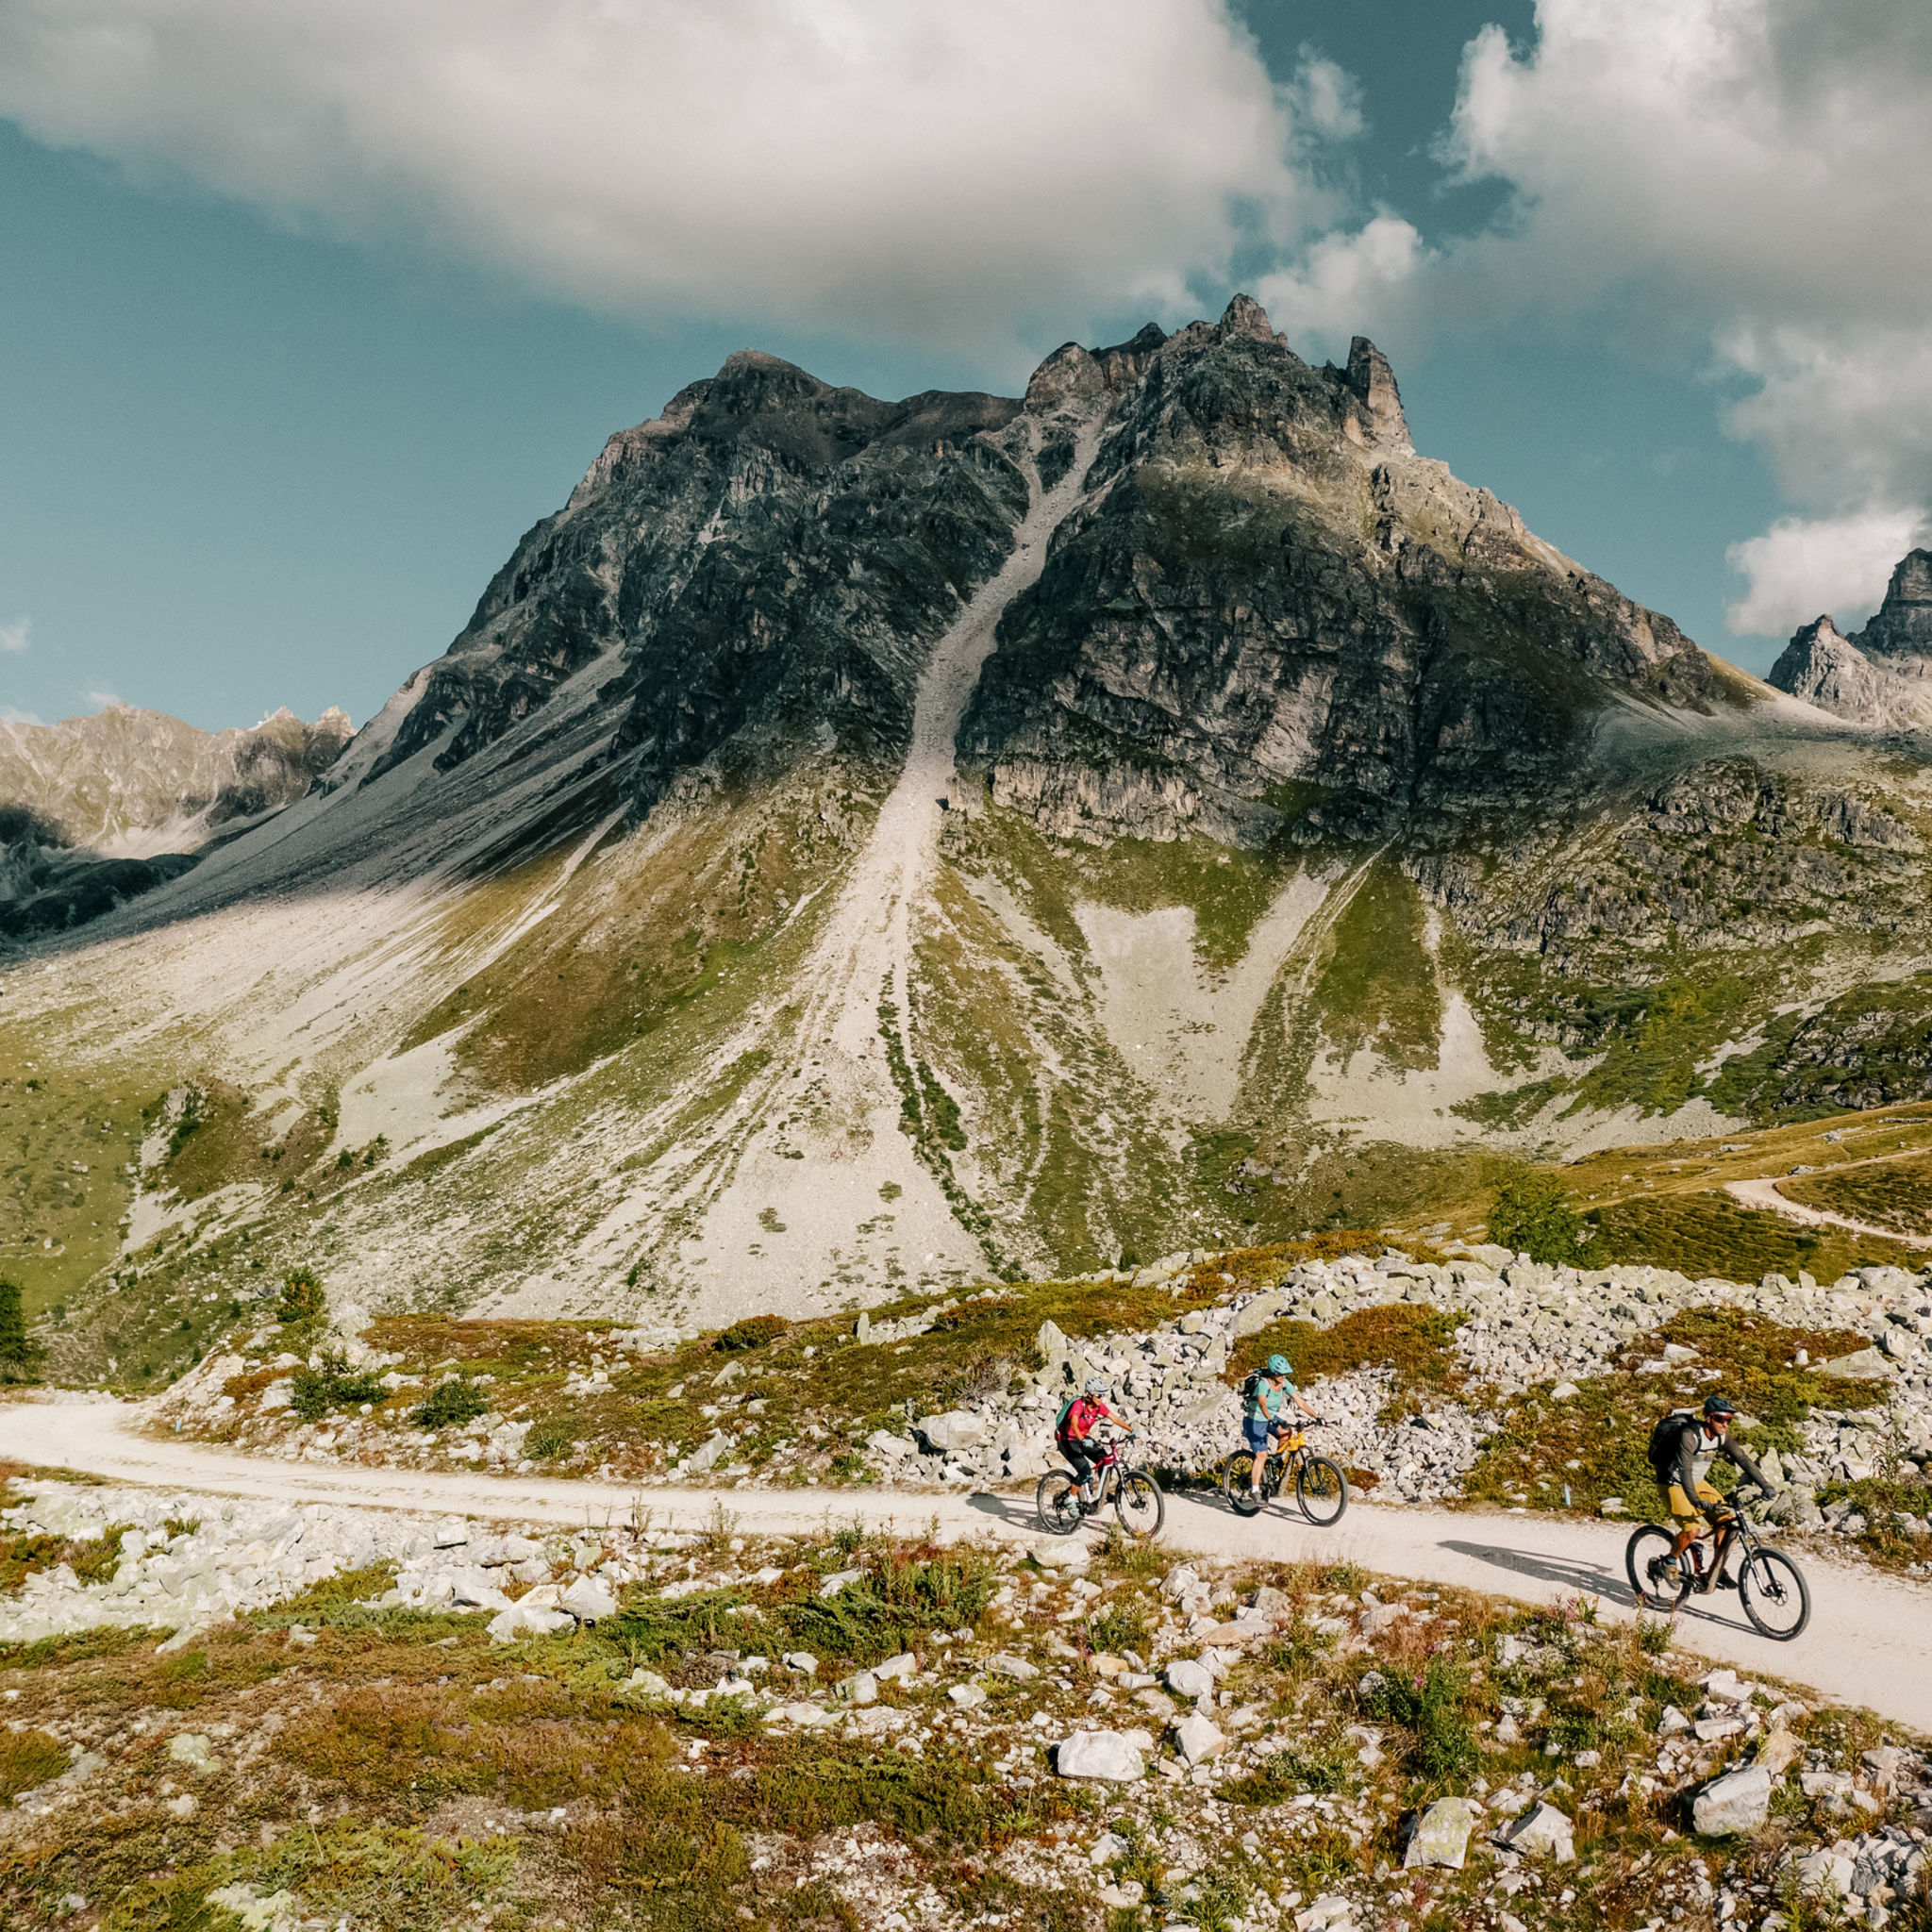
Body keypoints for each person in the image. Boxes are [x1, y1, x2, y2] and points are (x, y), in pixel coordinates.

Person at [1649, 1392, 1771, 1591]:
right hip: (1673, 1483)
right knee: (1692, 1529)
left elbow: (1743, 1460)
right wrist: (1696, 1501)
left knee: (1727, 1522)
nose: (1725, 1424)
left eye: (1728, 1420)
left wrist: (1765, 1485)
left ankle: (1716, 1571)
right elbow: (1685, 1472)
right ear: (1708, 1418)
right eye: (1720, 1419)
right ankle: (1669, 1562)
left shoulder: (1722, 1437)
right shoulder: (1690, 1436)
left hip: (1698, 1483)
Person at [1243, 1353, 1323, 1503]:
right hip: (1255, 1420)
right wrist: (1270, 1418)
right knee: (1261, 1455)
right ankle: (1254, 1491)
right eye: (1280, 1374)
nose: (1283, 1377)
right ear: (1273, 1372)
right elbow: (1262, 1404)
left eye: (1285, 1374)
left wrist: (1316, 1417)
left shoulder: (1285, 1384)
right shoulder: (1263, 1384)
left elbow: (1301, 1402)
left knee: (1287, 1432)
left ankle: (1277, 1460)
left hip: (1269, 1419)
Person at [1056, 1375, 1135, 1505]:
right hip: (1067, 1440)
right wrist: (1082, 1439)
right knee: (1085, 1471)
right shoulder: (1078, 1405)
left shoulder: (1099, 1407)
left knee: (1104, 1460)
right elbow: (1074, 1424)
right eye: (1098, 1395)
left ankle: (1102, 1493)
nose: (1101, 1398)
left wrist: (1131, 1430)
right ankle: (1070, 1498)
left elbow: (1115, 1419)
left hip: (1081, 1438)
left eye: (1102, 1395)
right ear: (1090, 1394)